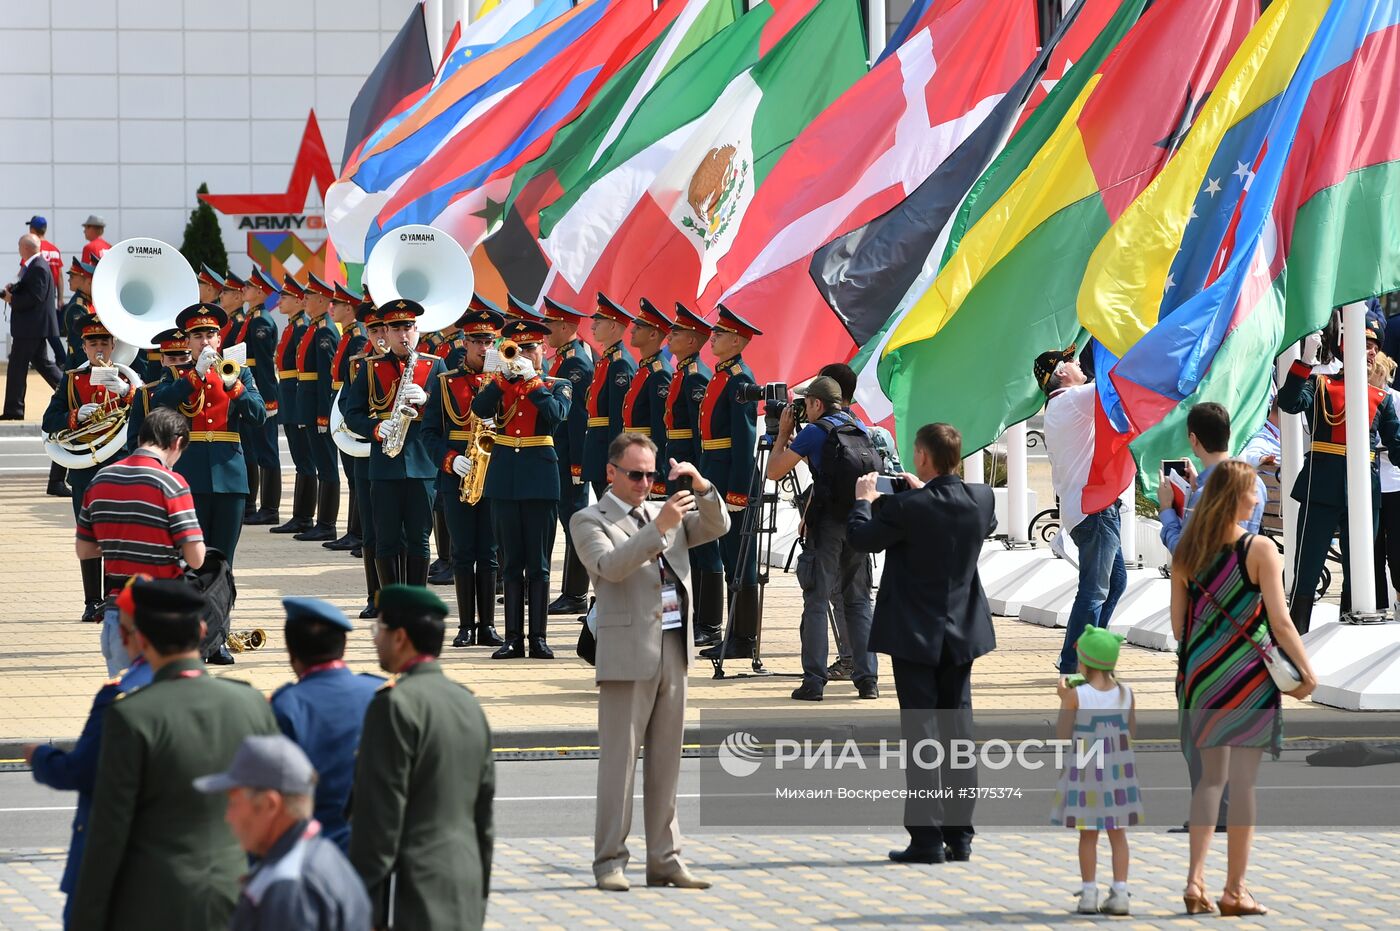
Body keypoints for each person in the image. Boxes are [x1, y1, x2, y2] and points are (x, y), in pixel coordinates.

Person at [69, 578, 279, 930]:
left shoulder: (130, 716)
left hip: (153, 902)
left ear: (135, 638)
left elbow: (108, 833)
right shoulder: (250, 703)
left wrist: (86, 918)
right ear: (201, 630)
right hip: (237, 896)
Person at [571, 433, 729, 892]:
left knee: (667, 763)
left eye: (651, 474)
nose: (645, 483)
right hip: (627, 653)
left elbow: (717, 525)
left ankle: (665, 858)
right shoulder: (589, 518)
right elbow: (610, 566)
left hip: (674, 649)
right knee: (618, 765)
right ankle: (609, 862)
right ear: (612, 473)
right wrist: (658, 526)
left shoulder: (666, 514)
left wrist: (701, 487)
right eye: (636, 474)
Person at [1171, 461, 1317, 916]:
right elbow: (1281, 621)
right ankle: (1234, 890)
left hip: (1201, 675)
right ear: (1237, 497)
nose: (1258, 497)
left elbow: (1180, 627)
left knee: (1210, 782)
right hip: (1248, 677)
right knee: (1244, 786)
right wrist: (1307, 673)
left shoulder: (1186, 552)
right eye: (1252, 492)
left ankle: (1195, 882)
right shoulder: (1260, 550)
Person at [848, 422, 996, 864]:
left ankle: (928, 839)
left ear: (923, 458)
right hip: (963, 632)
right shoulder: (981, 499)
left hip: (915, 633)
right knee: (958, 734)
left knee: (923, 737)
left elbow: (862, 539)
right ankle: (960, 835)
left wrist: (863, 503)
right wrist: (923, 491)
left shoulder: (907, 507)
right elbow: (965, 516)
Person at [350, 584, 495, 931]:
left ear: (400, 638)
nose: (375, 640)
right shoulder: (468, 705)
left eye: (379, 630)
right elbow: (483, 817)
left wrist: (362, 902)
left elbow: (379, 821)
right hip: (465, 882)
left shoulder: (394, 706)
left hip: (411, 891)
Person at [24, 579, 154, 928]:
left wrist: (39, 757)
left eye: (122, 630)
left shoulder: (121, 700)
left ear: (135, 636)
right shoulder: (237, 700)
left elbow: (80, 771)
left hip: (115, 868)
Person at [1277, 319, 1400, 630]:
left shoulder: (1381, 399)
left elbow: (1397, 446)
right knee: (1308, 564)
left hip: (1364, 491)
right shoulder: (1321, 385)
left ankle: (1350, 624)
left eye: (1373, 346)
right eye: (1363, 343)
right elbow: (1289, 403)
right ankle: (1297, 632)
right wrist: (1305, 362)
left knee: (1360, 565)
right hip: (1322, 485)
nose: (1369, 351)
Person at [767, 375, 880, 701]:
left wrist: (784, 435)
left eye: (806, 405)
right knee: (859, 603)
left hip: (828, 527)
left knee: (816, 601)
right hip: (860, 522)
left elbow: (775, 470)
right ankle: (867, 680)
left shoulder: (815, 433)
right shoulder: (860, 429)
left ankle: (813, 682)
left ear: (817, 403)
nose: (803, 411)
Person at [470, 318, 573, 658]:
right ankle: (513, 637)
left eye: (532, 348)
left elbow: (556, 415)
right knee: (511, 562)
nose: (525, 353)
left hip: (540, 480)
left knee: (539, 563)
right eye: (520, 348)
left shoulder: (557, 384)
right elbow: (479, 409)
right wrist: (503, 379)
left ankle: (538, 638)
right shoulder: (499, 383)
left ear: (543, 350)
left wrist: (532, 380)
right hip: (504, 479)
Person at [77, 407, 206, 676]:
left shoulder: (101, 478)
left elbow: (85, 549)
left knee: (126, 696)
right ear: (177, 443)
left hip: (117, 610)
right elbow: (196, 557)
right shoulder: (172, 483)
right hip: (162, 612)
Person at [196, 735, 371, 931]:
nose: (228, 816)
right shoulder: (325, 855)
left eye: (234, 803)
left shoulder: (288, 888)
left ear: (270, 805)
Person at [1037, 345, 1132, 673]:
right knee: (1094, 591)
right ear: (1062, 374)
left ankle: (1090, 652)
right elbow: (1116, 382)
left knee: (1115, 582)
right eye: (1072, 361)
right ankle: (1074, 665)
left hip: (1086, 511)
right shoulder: (1073, 401)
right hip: (1095, 510)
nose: (1080, 364)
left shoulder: (1058, 407)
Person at [150, 302, 267, 566]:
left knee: (224, 559)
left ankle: (219, 608)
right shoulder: (175, 374)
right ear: (188, 341)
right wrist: (195, 375)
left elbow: (258, 416)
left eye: (210, 335)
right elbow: (160, 403)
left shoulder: (240, 372)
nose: (205, 342)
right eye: (198, 336)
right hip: (190, 474)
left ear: (219, 338)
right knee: (191, 558)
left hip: (230, 476)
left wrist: (235, 387)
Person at [42, 312, 141, 623]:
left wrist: (127, 395)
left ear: (113, 345)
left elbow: (146, 415)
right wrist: (76, 416)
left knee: (118, 534)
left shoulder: (128, 379)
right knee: (88, 535)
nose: (99, 347)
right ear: (82, 346)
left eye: (104, 342)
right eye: (92, 342)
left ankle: (114, 599)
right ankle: (91, 601)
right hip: (85, 467)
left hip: (118, 463)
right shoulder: (72, 380)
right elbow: (49, 422)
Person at [343, 299, 447, 587]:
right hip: (384, 465)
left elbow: (449, 418)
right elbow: (352, 414)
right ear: (385, 332)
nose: (403, 336)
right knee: (385, 538)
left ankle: (417, 601)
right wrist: (376, 428)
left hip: (422, 464)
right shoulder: (371, 366)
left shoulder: (435, 366)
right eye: (396, 329)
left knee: (420, 539)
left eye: (409, 328)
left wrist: (428, 401)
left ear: (418, 330)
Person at [420, 305, 505, 648]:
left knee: (491, 552)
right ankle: (466, 625)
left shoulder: (504, 382)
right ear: (464, 343)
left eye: (489, 340)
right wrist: (449, 460)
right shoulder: (445, 382)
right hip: (458, 474)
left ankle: (488, 625)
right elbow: (429, 433)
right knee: (462, 551)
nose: (484, 348)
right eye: (477, 341)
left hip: (494, 474)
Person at [270, 597, 384, 852]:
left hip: (313, 853)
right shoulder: (380, 692)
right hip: (378, 852)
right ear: (343, 648)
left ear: (291, 651)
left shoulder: (287, 706)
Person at [1050, 628, 1141, 916]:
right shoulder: (1126, 694)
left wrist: (1064, 699)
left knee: (1087, 836)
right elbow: (1131, 732)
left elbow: (1064, 734)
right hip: (1119, 774)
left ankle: (1089, 893)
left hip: (1087, 773)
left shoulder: (1078, 694)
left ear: (1085, 663)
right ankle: (1121, 892)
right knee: (1118, 835)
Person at [697, 305, 762, 661]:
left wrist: (737, 490)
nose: (713, 338)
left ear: (737, 340)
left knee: (740, 558)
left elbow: (743, 439)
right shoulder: (722, 376)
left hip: (731, 473)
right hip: (714, 467)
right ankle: (734, 632)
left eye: (719, 334)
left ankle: (743, 637)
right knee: (726, 553)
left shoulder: (740, 380)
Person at [666, 302, 724, 645]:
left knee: (706, 547)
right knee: (683, 545)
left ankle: (710, 622)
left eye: (677, 332)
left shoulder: (696, 376)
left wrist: (698, 475)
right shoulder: (681, 373)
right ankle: (693, 617)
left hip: (693, 465)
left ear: (692, 341)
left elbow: (701, 434)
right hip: (680, 463)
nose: (670, 336)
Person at [541, 295, 595, 615]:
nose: (545, 329)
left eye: (549, 323)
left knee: (574, 521)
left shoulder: (575, 362)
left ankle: (576, 592)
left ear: (565, 326)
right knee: (563, 519)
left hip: (568, 454)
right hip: (556, 452)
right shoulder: (562, 358)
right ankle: (566, 590)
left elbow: (577, 419)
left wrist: (577, 464)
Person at [1157, 402, 1268, 552]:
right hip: (1245, 570)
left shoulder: (1204, 495)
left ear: (1193, 439)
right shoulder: (1256, 482)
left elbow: (1183, 553)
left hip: (1214, 574)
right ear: (1229, 433)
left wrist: (1166, 509)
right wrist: (1198, 484)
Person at [292, 274, 343, 542]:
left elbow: (326, 377)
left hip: (317, 406)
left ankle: (327, 523)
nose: (304, 300)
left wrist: (324, 413)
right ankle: (319, 521)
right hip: (308, 403)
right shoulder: (315, 327)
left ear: (323, 300)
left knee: (326, 466)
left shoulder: (325, 330)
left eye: (309, 296)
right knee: (320, 463)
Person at [345, 299, 388, 616]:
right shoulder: (360, 365)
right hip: (369, 452)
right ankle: (375, 596)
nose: (379, 335)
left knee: (406, 533)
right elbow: (350, 411)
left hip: (406, 456)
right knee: (372, 529)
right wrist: (375, 428)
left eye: (382, 328)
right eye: (373, 330)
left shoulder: (415, 363)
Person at [272, 276, 318, 535]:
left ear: (299, 301)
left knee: (305, 459)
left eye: (285, 297)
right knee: (301, 458)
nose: (280, 301)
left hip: (298, 395)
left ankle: (305, 516)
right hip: (290, 396)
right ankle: (300, 515)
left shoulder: (302, 327)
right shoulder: (293, 327)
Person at [325, 283, 369, 551]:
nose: (333, 308)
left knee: (356, 476)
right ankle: (355, 530)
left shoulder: (358, 338)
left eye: (337, 304)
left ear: (349, 309)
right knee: (353, 477)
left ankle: (360, 532)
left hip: (351, 406)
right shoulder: (348, 336)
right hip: (341, 403)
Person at [581, 293, 638, 496]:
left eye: (598, 322)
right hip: (598, 448)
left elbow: (618, 417)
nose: (593, 327)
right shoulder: (607, 360)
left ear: (613, 326)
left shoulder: (619, 363)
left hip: (607, 450)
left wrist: (616, 461)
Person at [2, 234, 63, 421]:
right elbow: (32, 290)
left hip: (31, 328)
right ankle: (71, 394)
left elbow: (35, 297)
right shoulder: (35, 266)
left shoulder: (38, 267)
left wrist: (11, 298)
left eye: (20, 246)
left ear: (27, 248)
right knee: (43, 364)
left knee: (17, 368)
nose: (19, 250)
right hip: (33, 327)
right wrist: (15, 288)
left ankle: (14, 411)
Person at [239, 268, 283, 525]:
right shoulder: (253, 318)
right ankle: (260, 506)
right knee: (255, 450)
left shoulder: (262, 322)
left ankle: (270, 508)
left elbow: (264, 366)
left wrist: (268, 399)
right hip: (252, 389)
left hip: (262, 392)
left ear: (260, 292)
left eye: (249, 287)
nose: (244, 290)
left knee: (267, 452)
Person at [621, 298, 675, 495]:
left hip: (646, 461)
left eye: (639, 327)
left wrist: (656, 476)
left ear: (653, 334)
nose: (632, 331)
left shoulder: (658, 372)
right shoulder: (644, 368)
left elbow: (660, 429)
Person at [1373, 353, 1400, 608]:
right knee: (1372, 552)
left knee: (1397, 552)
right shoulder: (1359, 396)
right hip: (1367, 484)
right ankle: (1378, 604)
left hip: (1394, 482)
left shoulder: (1396, 399)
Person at [60, 257, 95, 369]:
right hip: (80, 368)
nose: (68, 280)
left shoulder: (88, 302)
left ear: (86, 280)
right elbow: (80, 347)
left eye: (72, 276)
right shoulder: (78, 307)